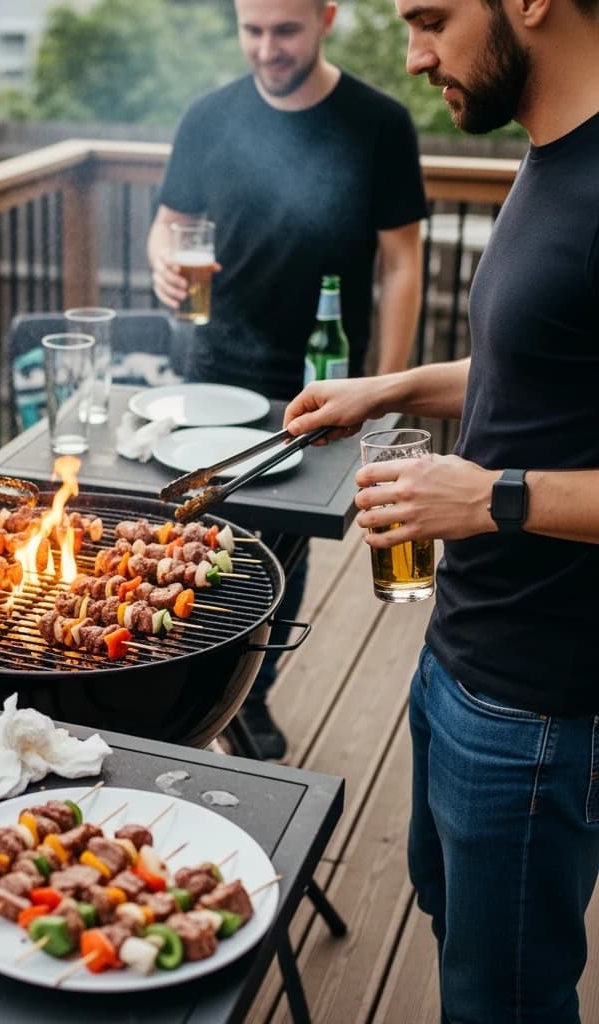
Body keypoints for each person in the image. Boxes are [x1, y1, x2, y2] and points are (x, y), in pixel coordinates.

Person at [284, 1, 599, 1018]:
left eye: (429, 17)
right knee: (447, 913)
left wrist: (491, 497)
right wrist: (386, 389)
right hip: (459, 653)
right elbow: (535, 369)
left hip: (539, 702)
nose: (413, 56)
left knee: (500, 996)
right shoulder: (547, 156)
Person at [147, 0, 428, 759]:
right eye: (253, 30)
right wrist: (163, 262)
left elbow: (402, 263)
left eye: (286, 31)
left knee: (283, 552)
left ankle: (251, 693)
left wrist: (384, 389)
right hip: (212, 374)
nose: (267, 49)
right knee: (200, 537)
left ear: (326, 17)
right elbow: (169, 221)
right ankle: (196, 690)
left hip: (321, 385)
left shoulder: (379, 122)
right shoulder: (208, 117)